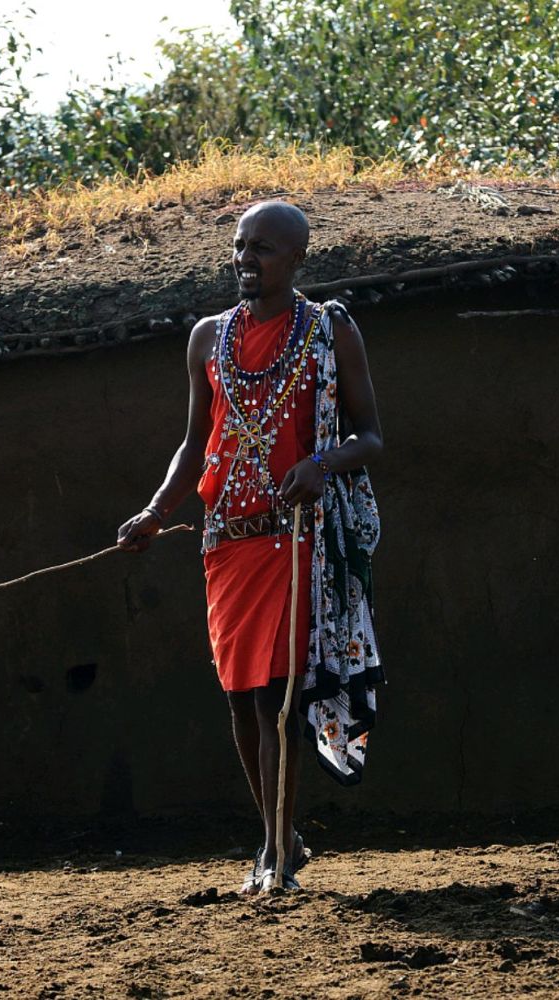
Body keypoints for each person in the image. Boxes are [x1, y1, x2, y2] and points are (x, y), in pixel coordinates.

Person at [117, 200, 384, 893]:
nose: (245, 259)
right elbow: (193, 442)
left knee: (275, 701)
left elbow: (371, 436)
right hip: (224, 546)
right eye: (239, 246)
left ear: (297, 259)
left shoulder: (329, 332)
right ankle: (281, 837)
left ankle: (271, 852)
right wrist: (153, 512)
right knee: (240, 700)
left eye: (262, 249)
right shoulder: (206, 337)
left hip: (294, 543)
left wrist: (322, 466)